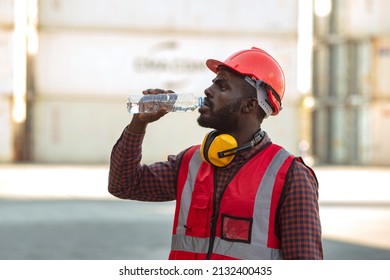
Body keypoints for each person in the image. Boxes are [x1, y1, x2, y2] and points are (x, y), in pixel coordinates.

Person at [108, 47, 323, 260]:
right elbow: (123, 184)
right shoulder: (191, 162)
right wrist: (138, 124)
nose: (208, 91)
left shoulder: (291, 177)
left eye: (221, 86)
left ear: (249, 104)